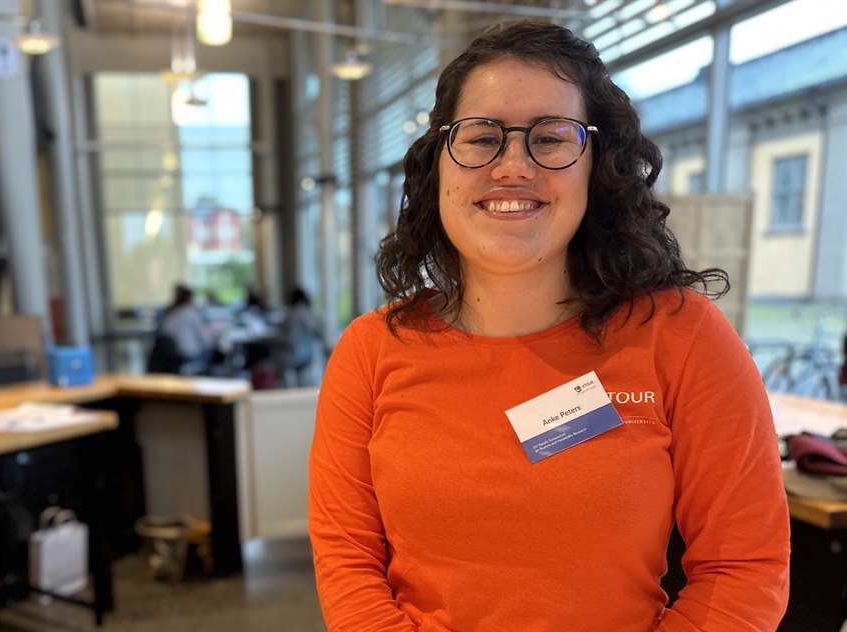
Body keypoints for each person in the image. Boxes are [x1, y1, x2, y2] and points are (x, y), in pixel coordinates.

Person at [309, 20, 789, 632]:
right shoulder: (371, 350)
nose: (513, 165)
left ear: (597, 167)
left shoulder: (681, 337)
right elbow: (347, 562)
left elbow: (744, 567)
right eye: (482, 137)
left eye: (551, 138)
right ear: (439, 167)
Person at [155, 284, 215, 370]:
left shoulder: (168, 313)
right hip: (188, 357)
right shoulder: (190, 313)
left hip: (171, 359)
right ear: (189, 299)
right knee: (214, 351)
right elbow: (207, 341)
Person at [276, 287, 323, 386]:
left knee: (272, 352)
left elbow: (290, 339)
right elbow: (318, 333)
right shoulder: (310, 313)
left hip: (292, 354)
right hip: (306, 355)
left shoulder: (293, 314)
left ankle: (279, 386)